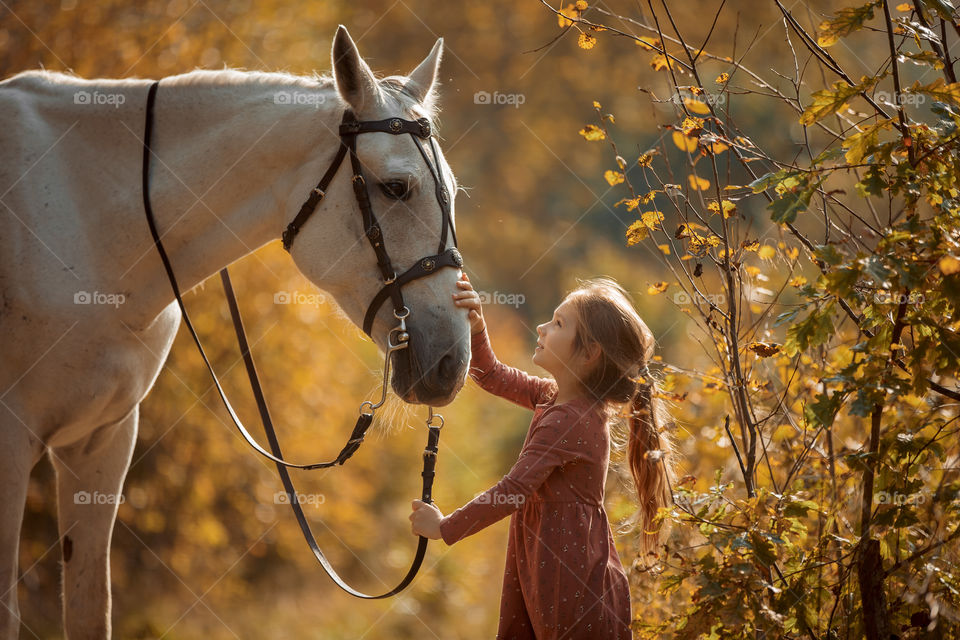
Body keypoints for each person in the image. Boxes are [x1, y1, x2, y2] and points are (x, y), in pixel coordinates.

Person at [409, 272, 678, 639]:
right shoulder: (553, 397)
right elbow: (491, 375)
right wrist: (476, 327)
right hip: (550, 566)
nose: (541, 327)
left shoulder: (569, 420)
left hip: (570, 581)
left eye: (558, 324)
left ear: (588, 353)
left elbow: (515, 488)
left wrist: (445, 527)